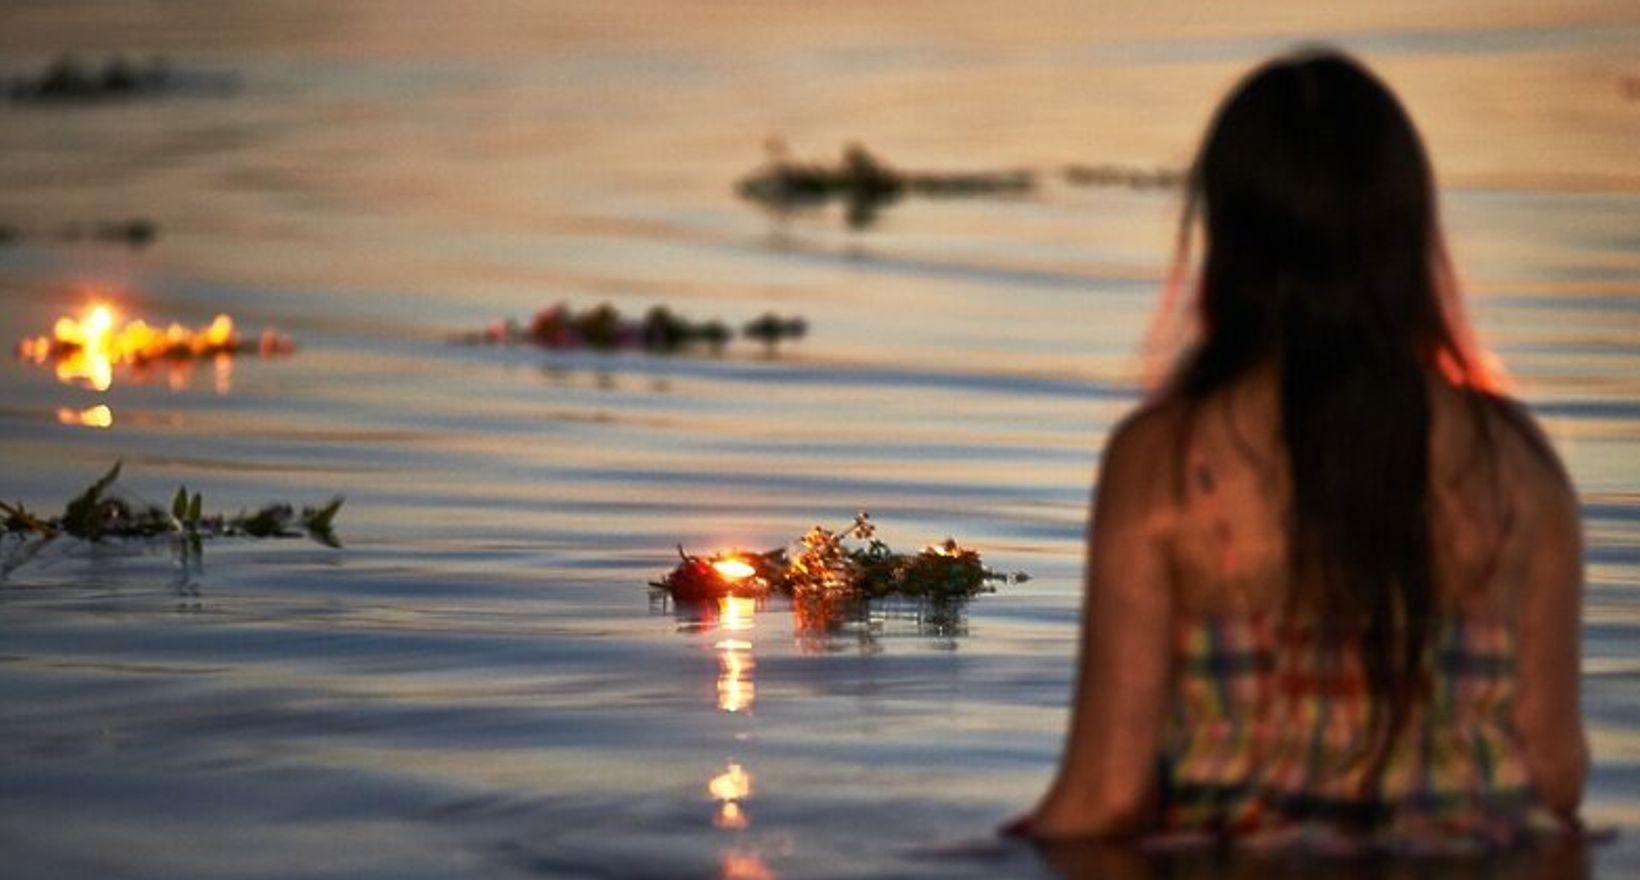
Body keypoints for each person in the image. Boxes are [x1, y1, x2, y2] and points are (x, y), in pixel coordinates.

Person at [1016, 48, 1586, 851]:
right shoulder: (1518, 462)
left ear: (1226, 233)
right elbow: (1554, 773)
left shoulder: (1167, 464)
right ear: (1408, 233)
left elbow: (1105, 795)